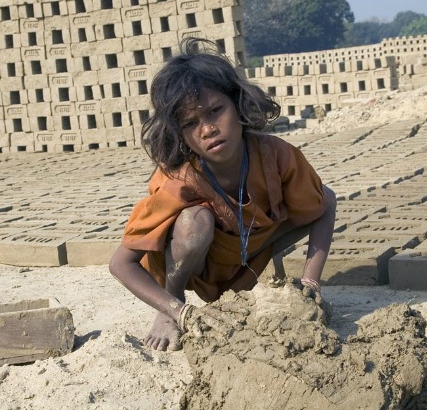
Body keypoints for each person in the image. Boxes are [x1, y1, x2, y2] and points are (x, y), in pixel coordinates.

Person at [109, 38, 336, 351]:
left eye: (215, 111)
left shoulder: (277, 155)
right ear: (180, 134)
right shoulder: (180, 180)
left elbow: (325, 203)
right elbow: (121, 264)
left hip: (254, 251)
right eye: (190, 123)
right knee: (194, 224)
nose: (207, 129)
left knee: (320, 198)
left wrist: (310, 284)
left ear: (239, 105)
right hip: (196, 266)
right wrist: (179, 311)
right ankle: (169, 305)